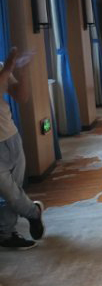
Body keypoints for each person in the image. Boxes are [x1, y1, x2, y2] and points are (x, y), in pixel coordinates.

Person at [0, 47, 45, 250]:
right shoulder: (4, 68)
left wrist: (23, 70)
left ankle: (6, 233)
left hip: (12, 137)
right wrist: (9, 65)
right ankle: (33, 213)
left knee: (15, 190)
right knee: (10, 193)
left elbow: (21, 96)